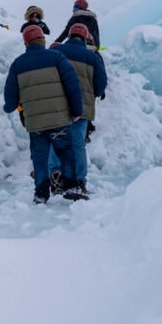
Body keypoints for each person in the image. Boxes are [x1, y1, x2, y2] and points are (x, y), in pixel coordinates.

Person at [3, 24, 84, 204]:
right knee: (66, 153)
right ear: (42, 40)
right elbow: (73, 85)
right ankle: (71, 187)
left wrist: (9, 107)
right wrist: (77, 110)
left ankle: (41, 193)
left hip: (36, 124)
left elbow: (10, 99)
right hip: (59, 120)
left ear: (26, 43)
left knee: (40, 159)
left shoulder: (18, 64)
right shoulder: (57, 57)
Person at [50, 23, 107, 200]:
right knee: (77, 145)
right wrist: (92, 94)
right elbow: (101, 84)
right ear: (85, 38)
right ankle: (78, 181)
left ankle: (56, 173)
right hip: (81, 108)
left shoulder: (56, 52)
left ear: (69, 35)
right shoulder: (93, 57)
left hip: (57, 105)